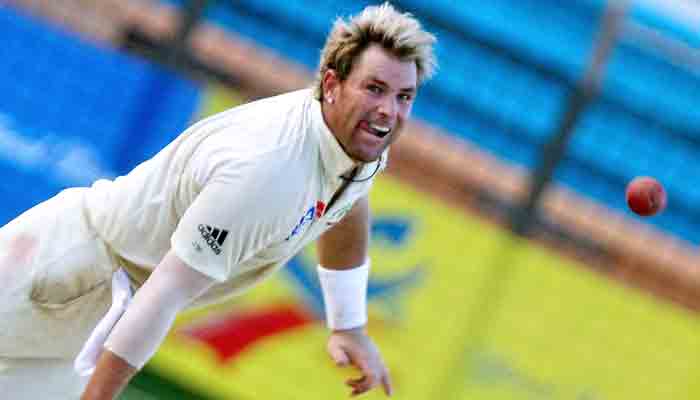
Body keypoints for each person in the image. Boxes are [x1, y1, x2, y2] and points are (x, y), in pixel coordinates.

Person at [0, 2, 437, 399]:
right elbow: (163, 294)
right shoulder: (271, 172)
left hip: (91, 307)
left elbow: (350, 202)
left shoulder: (356, 144)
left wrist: (348, 325)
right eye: (374, 88)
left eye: (404, 97)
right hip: (59, 273)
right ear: (332, 84)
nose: (388, 111)